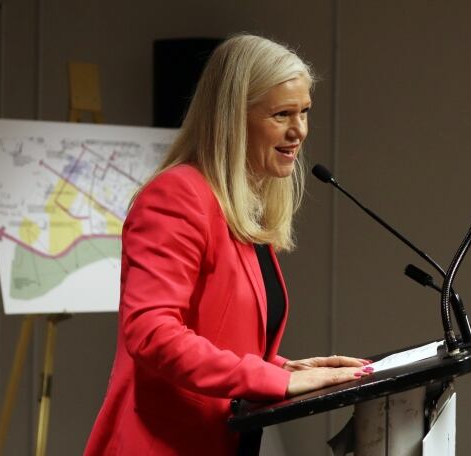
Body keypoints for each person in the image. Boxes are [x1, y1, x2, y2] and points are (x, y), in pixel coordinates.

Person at [84, 34, 371, 456]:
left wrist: (280, 368)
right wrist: (271, 380)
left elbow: (217, 334)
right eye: (281, 115)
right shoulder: (177, 196)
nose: (299, 131)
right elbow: (150, 332)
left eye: (305, 112)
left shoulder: (235, 207)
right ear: (233, 117)